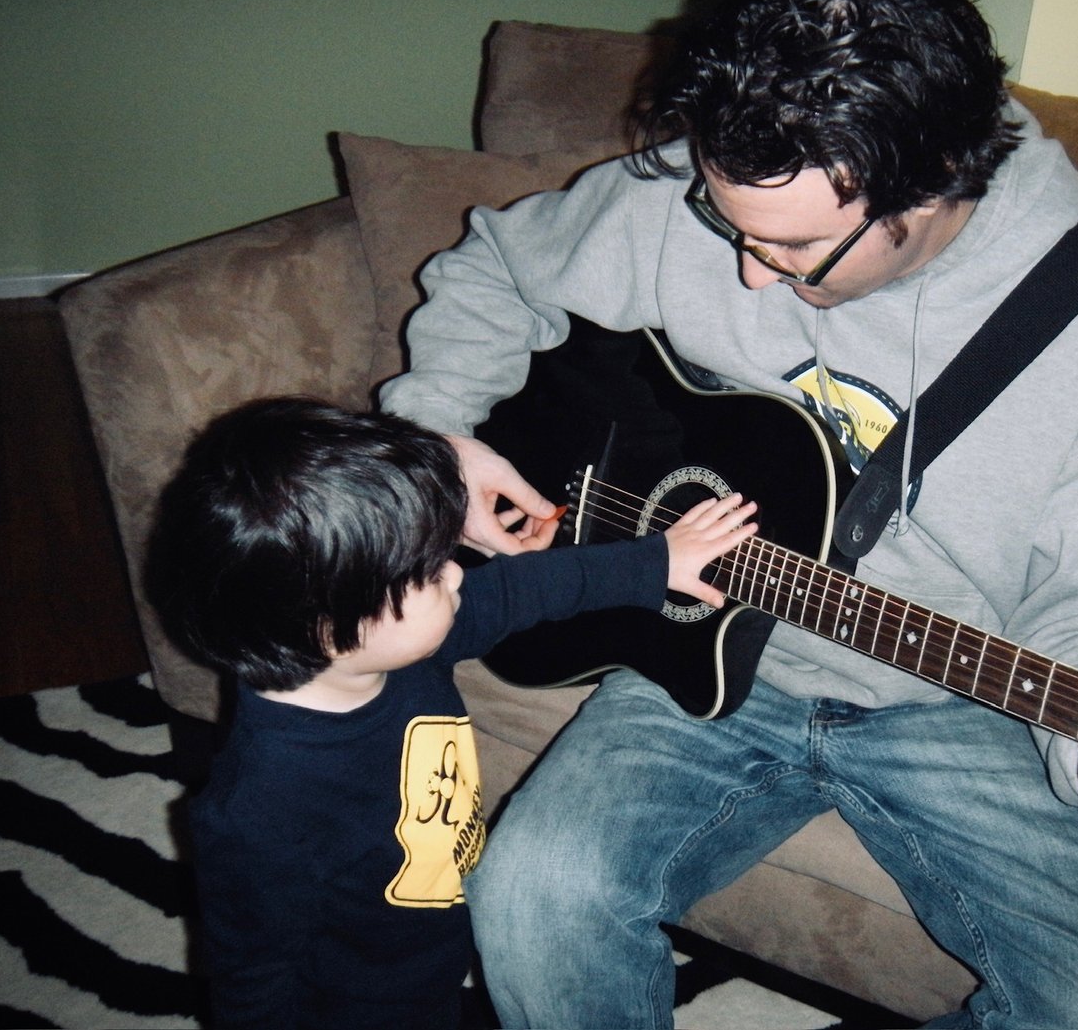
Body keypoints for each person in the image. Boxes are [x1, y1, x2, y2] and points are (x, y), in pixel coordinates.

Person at [379, 0, 1078, 1025]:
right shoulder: (739, 169)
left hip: (963, 703)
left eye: (795, 249)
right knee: (533, 892)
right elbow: (501, 266)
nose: (746, 269)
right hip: (706, 658)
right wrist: (437, 434)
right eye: (726, 221)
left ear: (934, 186)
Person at [148, 397, 757, 1030]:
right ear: (330, 628)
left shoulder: (390, 651)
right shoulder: (259, 812)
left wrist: (657, 561)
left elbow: (520, 590)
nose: (459, 576)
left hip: (435, 965)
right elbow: (252, 981)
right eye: (428, 574)